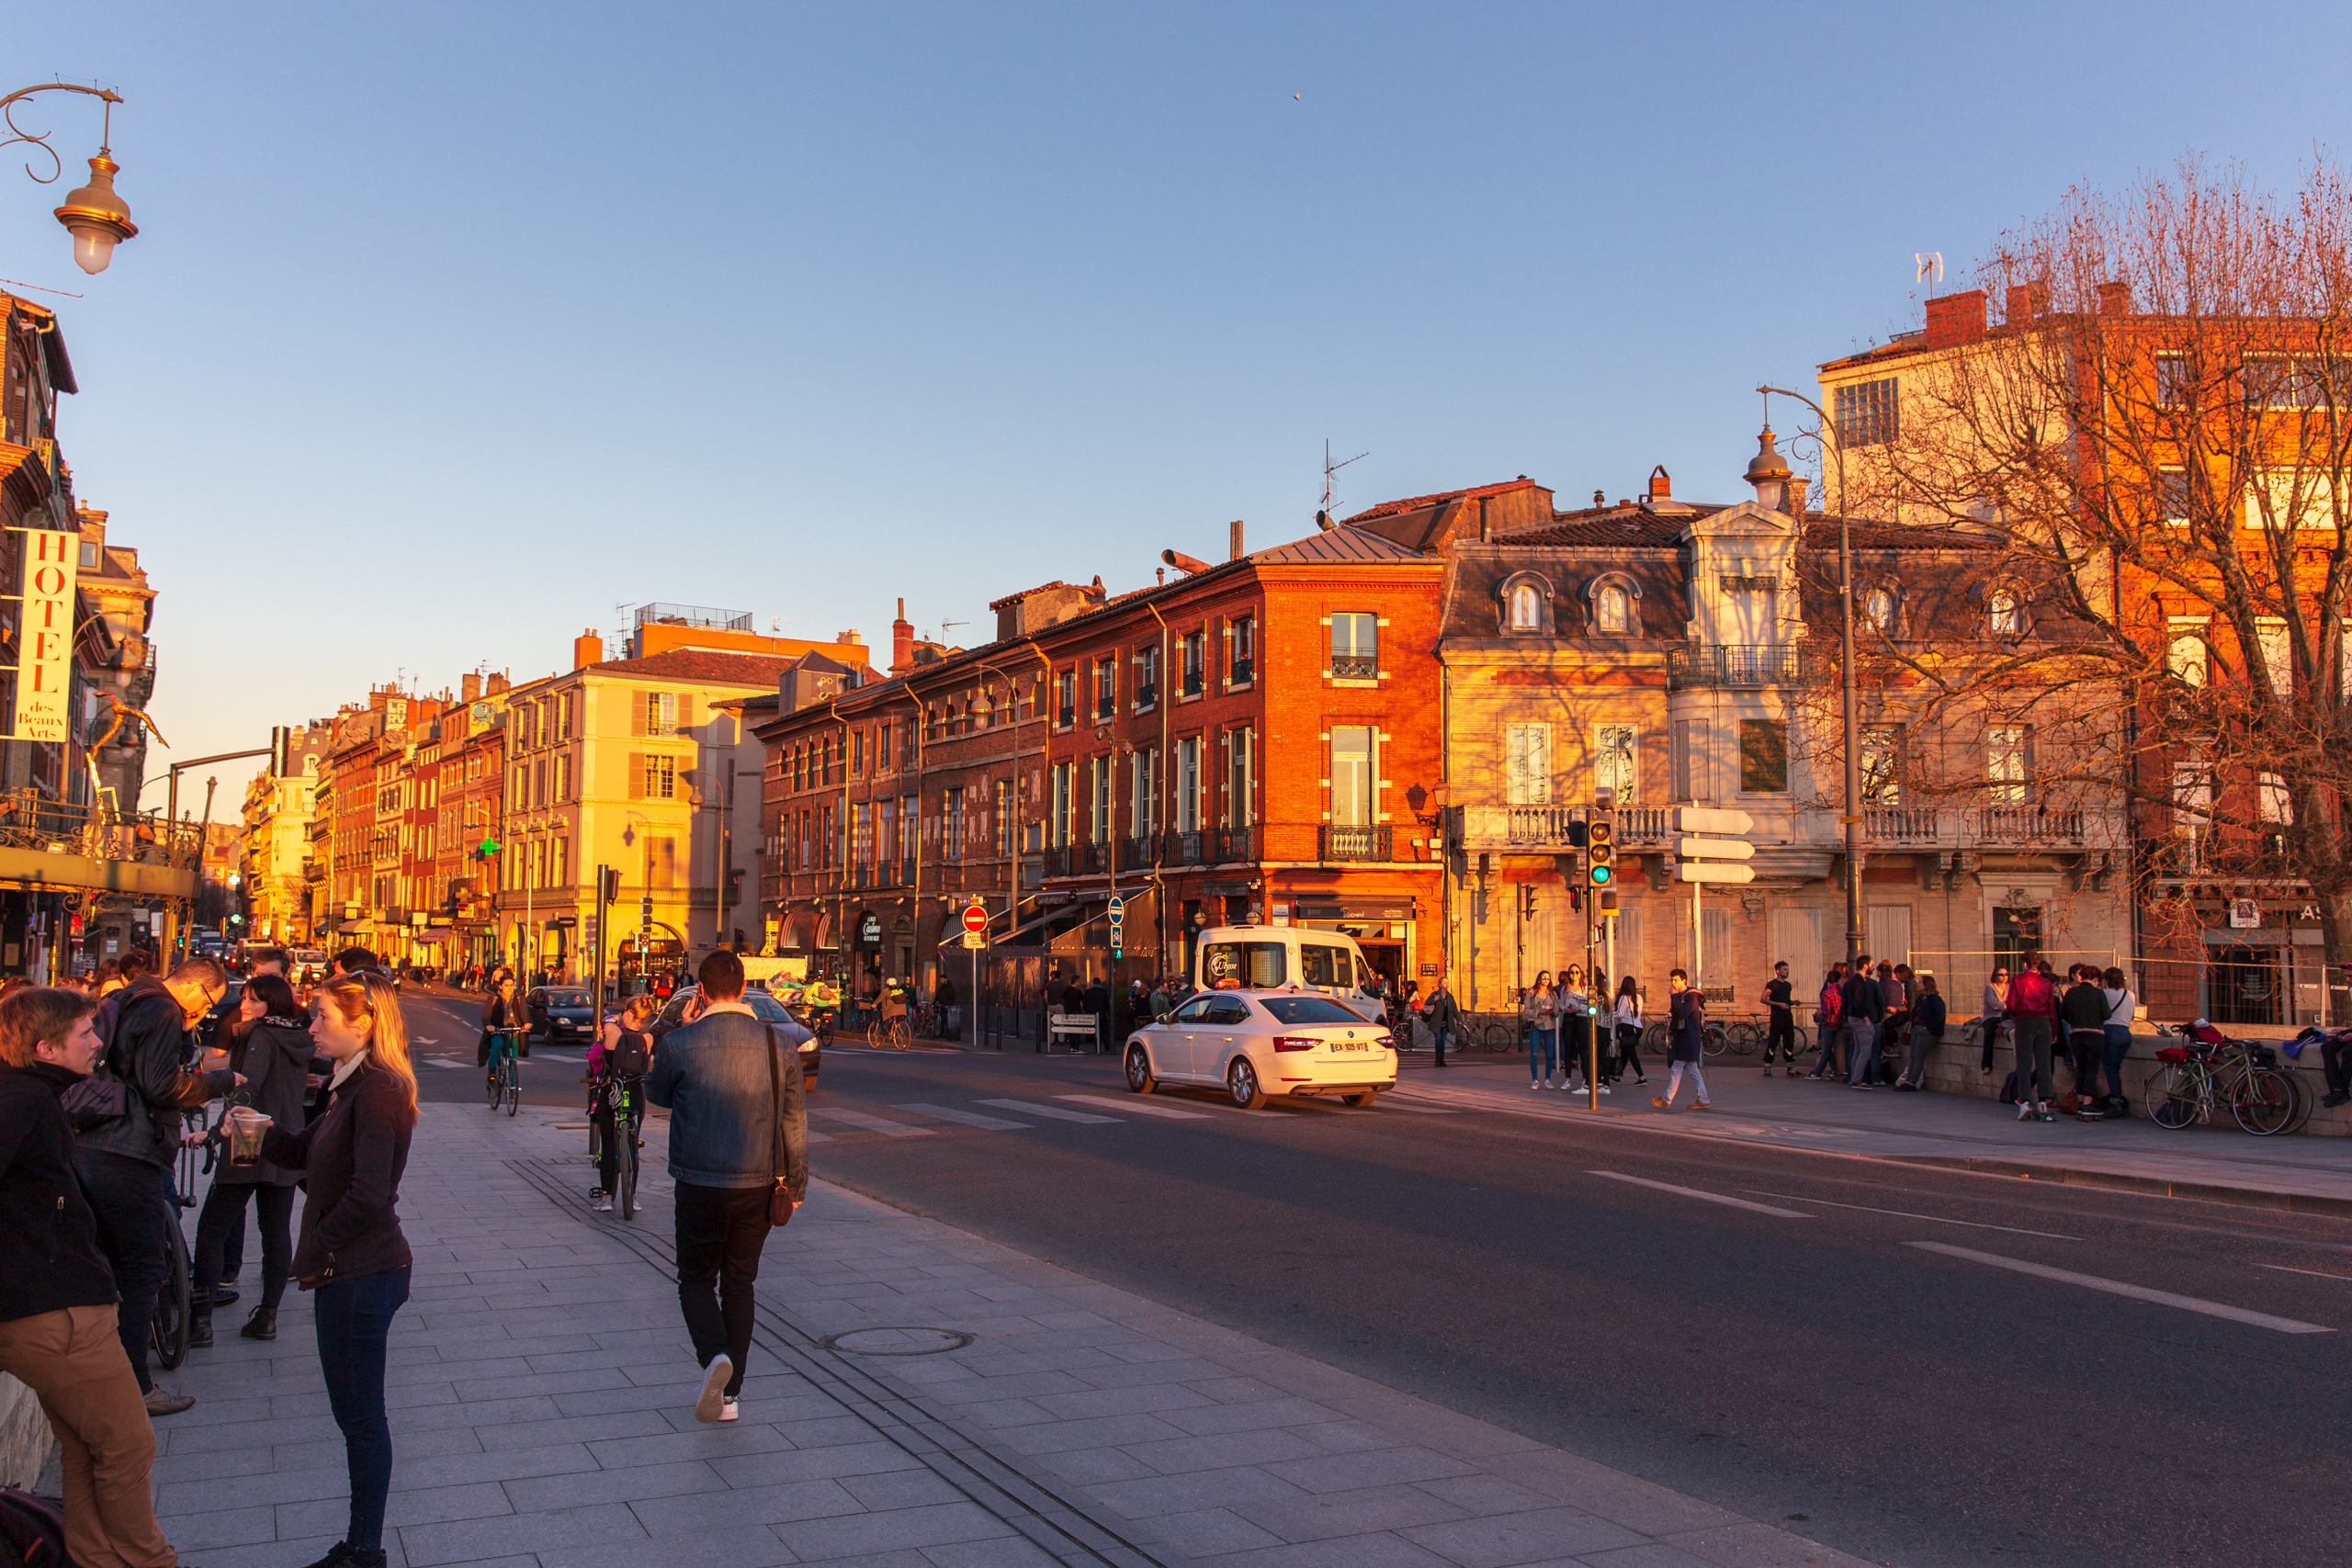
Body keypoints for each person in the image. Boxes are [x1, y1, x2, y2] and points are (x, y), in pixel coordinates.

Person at [0, 986, 186, 1568]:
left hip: (50, 1303)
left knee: (86, 1446)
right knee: (128, 1444)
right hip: (56, 1312)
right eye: (84, 1034)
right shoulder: (24, 1097)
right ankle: (148, 1560)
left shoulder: (32, 1093)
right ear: (47, 1048)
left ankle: (93, 1557)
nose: (97, 1042)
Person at [261, 969, 418, 1568]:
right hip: (350, 1270)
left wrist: (314, 1249)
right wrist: (258, 1132)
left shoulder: (378, 1089)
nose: (312, 1026)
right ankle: (359, 1544)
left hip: (363, 1273)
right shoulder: (345, 1083)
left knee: (362, 1419)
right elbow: (305, 1151)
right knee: (354, 1415)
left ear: (365, 1022)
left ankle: (364, 1550)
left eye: (323, 1015)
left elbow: (370, 1194)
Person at [645, 950, 808, 1426]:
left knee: (696, 1279)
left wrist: (686, 1030)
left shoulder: (681, 1042)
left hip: (697, 1182)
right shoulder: (779, 1044)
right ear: (742, 990)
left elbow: (656, 1093)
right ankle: (731, 1396)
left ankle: (714, 1353)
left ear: (701, 991)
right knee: (740, 1284)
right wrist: (797, 1184)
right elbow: (794, 1120)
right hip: (759, 1184)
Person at [74, 955, 240, 1416]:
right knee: (143, 1266)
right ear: (196, 990)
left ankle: (97, 1376)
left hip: (93, 1141)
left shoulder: (129, 996)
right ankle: (135, 1386)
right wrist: (220, 1081)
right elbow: (160, 1085)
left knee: (106, 1263)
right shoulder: (164, 1010)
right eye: (208, 1005)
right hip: (128, 1151)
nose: (205, 1014)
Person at [191, 972, 310, 1348]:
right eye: (244, 997)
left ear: (272, 1005)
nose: (244, 1005)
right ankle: (267, 1316)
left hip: (249, 1137)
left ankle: (200, 1321)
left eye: (253, 1000)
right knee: (276, 1231)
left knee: (212, 1229)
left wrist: (220, 1128)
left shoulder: (260, 1036)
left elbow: (248, 1088)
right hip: (286, 1139)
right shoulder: (297, 1036)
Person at [589, 996, 658, 1212]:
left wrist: (617, 1018)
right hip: (635, 1093)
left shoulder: (613, 1032)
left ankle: (606, 1197)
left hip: (613, 1091)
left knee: (609, 1144)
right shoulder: (647, 1038)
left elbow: (609, 1022)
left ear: (628, 1013)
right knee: (632, 1144)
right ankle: (633, 1197)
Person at [2007, 954, 2061, 1122]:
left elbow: (2011, 1004)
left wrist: (2019, 1014)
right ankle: (2044, 1100)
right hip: (2043, 1021)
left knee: (2024, 1062)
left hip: (2024, 1021)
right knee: (2044, 1062)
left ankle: (2025, 1100)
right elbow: (2052, 1008)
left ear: (2025, 963)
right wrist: (2054, 1030)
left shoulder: (2017, 981)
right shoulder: (2046, 983)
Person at [1653, 969, 1710, 1111]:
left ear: (1684, 980)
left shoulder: (1691, 996)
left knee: (1677, 1068)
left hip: (1688, 1038)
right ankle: (1703, 1099)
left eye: (1676, 980)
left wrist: (1674, 997)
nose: (1673, 983)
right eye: (1672, 980)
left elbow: (1684, 1012)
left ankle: (1667, 1099)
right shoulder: (1681, 996)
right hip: (1684, 1037)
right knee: (1692, 1070)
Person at [2062, 964, 2109, 1116]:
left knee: (2081, 1068)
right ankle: (2088, 1104)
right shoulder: (2099, 994)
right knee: (2091, 1070)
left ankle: (2080, 1102)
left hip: (2076, 1035)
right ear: (2096, 979)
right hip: (2094, 1035)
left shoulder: (2071, 993)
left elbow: (2063, 1014)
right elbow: (2107, 1014)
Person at [1842, 953, 1885, 1089]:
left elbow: (1847, 1002)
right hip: (1859, 1018)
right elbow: (1858, 1002)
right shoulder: (1859, 981)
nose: (1873, 967)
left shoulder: (1851, 981)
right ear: (1865, 966)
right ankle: (1856, 1080)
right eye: (1872, 965)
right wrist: (1866, 1019)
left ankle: (1854, 1078)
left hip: (1853, 1017)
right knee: (1865, 1050)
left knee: (1858, 1049)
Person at [1896, 973, 1945, 1090]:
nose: (1917, 984)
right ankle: (1908, 1081)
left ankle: (1912, 1083)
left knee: (1918, 1056)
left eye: (1920, 983)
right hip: (1916, 1030)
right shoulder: (1921, 998)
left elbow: (1940, 1017)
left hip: (1926, 1032)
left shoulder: (1936, 999)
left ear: (1926, 985)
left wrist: (1927, 1027)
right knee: (1912, 1056)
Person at [1559, 965, 1603, 1093]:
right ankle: (1568, 1079)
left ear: (1581, 974)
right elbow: (1561, 1003)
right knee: (1568, 1048)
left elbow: (1590, 1004)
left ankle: (1585, 1080)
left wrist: (1579, 1009)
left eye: (1577, 972)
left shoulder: (1585, 988)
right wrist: (1565, 1008)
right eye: (1572, 972)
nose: (1574, 975)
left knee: (1583, 1049)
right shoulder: (1565, 988)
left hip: (1581, 1018)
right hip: (1569, 1018)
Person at [2099, 966, 2137, 1112]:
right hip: (2126, 1034)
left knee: (2110, 1069)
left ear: (2107, 980)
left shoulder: (2104, 994)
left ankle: (2115, 1100)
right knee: (2115, 1067)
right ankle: (2116, 1096)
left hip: (2110, 1032)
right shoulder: (2131, 994)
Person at [481, 974, 531, 1075]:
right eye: (506, 985)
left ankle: (512, 1083)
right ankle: (492, 1071)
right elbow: (486, 1016)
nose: (509, 988)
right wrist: (489, 1025)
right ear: (500, 986)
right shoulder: (493, 998)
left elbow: (525, 1013)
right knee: (497, 1044)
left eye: (511, 985)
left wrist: (528, 1023)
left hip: (513, 1032)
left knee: (512, 1057)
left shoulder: (519, 999)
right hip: (497, 1031)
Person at [1520, 971, 1559, 1089]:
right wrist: (1538, 1012)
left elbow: (1557, 1010)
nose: (1546, 980)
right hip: (1536, 1025)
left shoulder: (1552, 993)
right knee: (1534, 1053)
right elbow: (1526, 1011)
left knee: (1549, 1054)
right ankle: (1535, 1080)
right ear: (1539, 979)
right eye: (1544, 977)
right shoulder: (1531, 993)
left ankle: (1548, 1079)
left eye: (1548, 978)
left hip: (1549, 1025)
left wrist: (1553, 1012)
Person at [1611, 976, 1646, 1086]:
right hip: (1638, 1028)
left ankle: (1642, 1077)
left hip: (1627, 1027)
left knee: (1631, 1054)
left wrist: (1609, 1014)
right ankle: (1617, 1076)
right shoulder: (1639, 997)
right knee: (1625, 1053)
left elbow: (1620, 1013)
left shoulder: (1624, 998)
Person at [1761, 960, 1795, 1076]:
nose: (1787, 971)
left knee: (1789, 1041)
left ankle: (1790, 1066)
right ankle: (1767, 1066)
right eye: (1785, 969)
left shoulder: (1788, 985)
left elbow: (1785, 999)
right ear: (1778, 971)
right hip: (1777, 1018)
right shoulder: (1772, 984)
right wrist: (1778, 1004)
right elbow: (1763, 999)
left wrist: (1793, 1002)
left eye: (1788, 969)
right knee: (1774, 1041)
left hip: (1787, 1017)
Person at [1422, 976, 1459, 1068]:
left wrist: (1459, 1020)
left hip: (1446, 1023)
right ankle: (1437, 1060)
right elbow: (1427, 1002)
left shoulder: (1450, 997)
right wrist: (1434, 999)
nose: (1447, 984)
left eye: (1448, 982)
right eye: (1445, 983)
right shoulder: (1435, 994)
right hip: (1436, 1023)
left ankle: (1442, 1059)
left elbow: (1454, 1009)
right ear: (1440, 984)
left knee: (1442, 1041)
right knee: (1438, 1040)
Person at [1981, 964, 2011, 1077]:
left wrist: (2004, 1006)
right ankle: (1987, 1065)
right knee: (1989, 1034)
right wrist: (2007, 1005)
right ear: (1995, 976)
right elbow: (1993, 1004)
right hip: (1991, 1016)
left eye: (2006, 974)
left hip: (2005, 1016)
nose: (2004, 977)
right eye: (2001, 975)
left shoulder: (2009, 987)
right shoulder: (1990, 987)